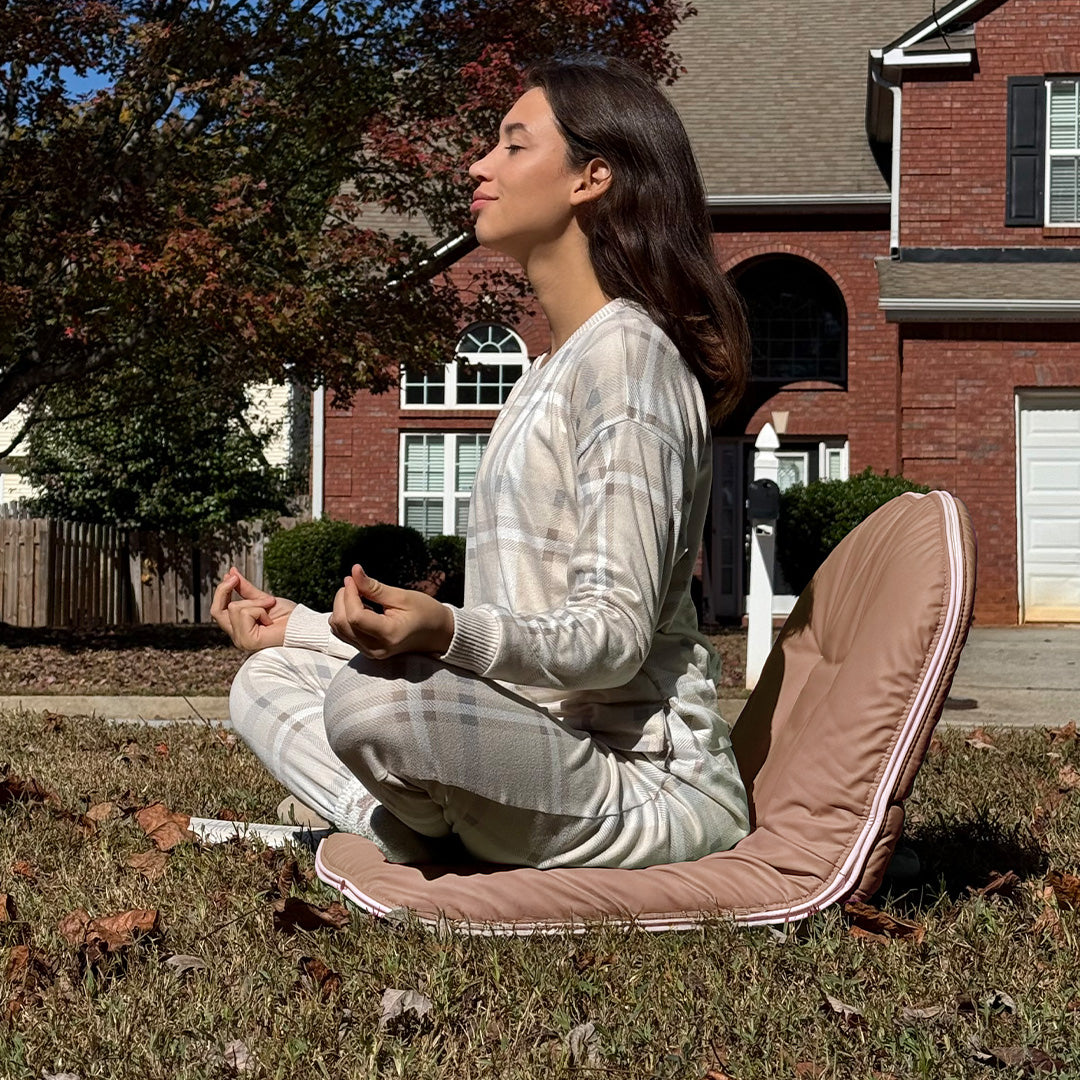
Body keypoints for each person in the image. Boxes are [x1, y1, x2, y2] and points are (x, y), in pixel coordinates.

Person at [212, 55, 752, 870]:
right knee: (268, 678)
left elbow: (611, 639)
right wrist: (300, 625)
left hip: (644, 783)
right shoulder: (553, 368)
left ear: (591, 178)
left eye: (512, 145)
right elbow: (517, 636)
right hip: (530, 740)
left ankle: (404, 828)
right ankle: (414, 825)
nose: (479, 165)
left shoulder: (630, 360)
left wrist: (448, 630)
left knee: (375, 705)